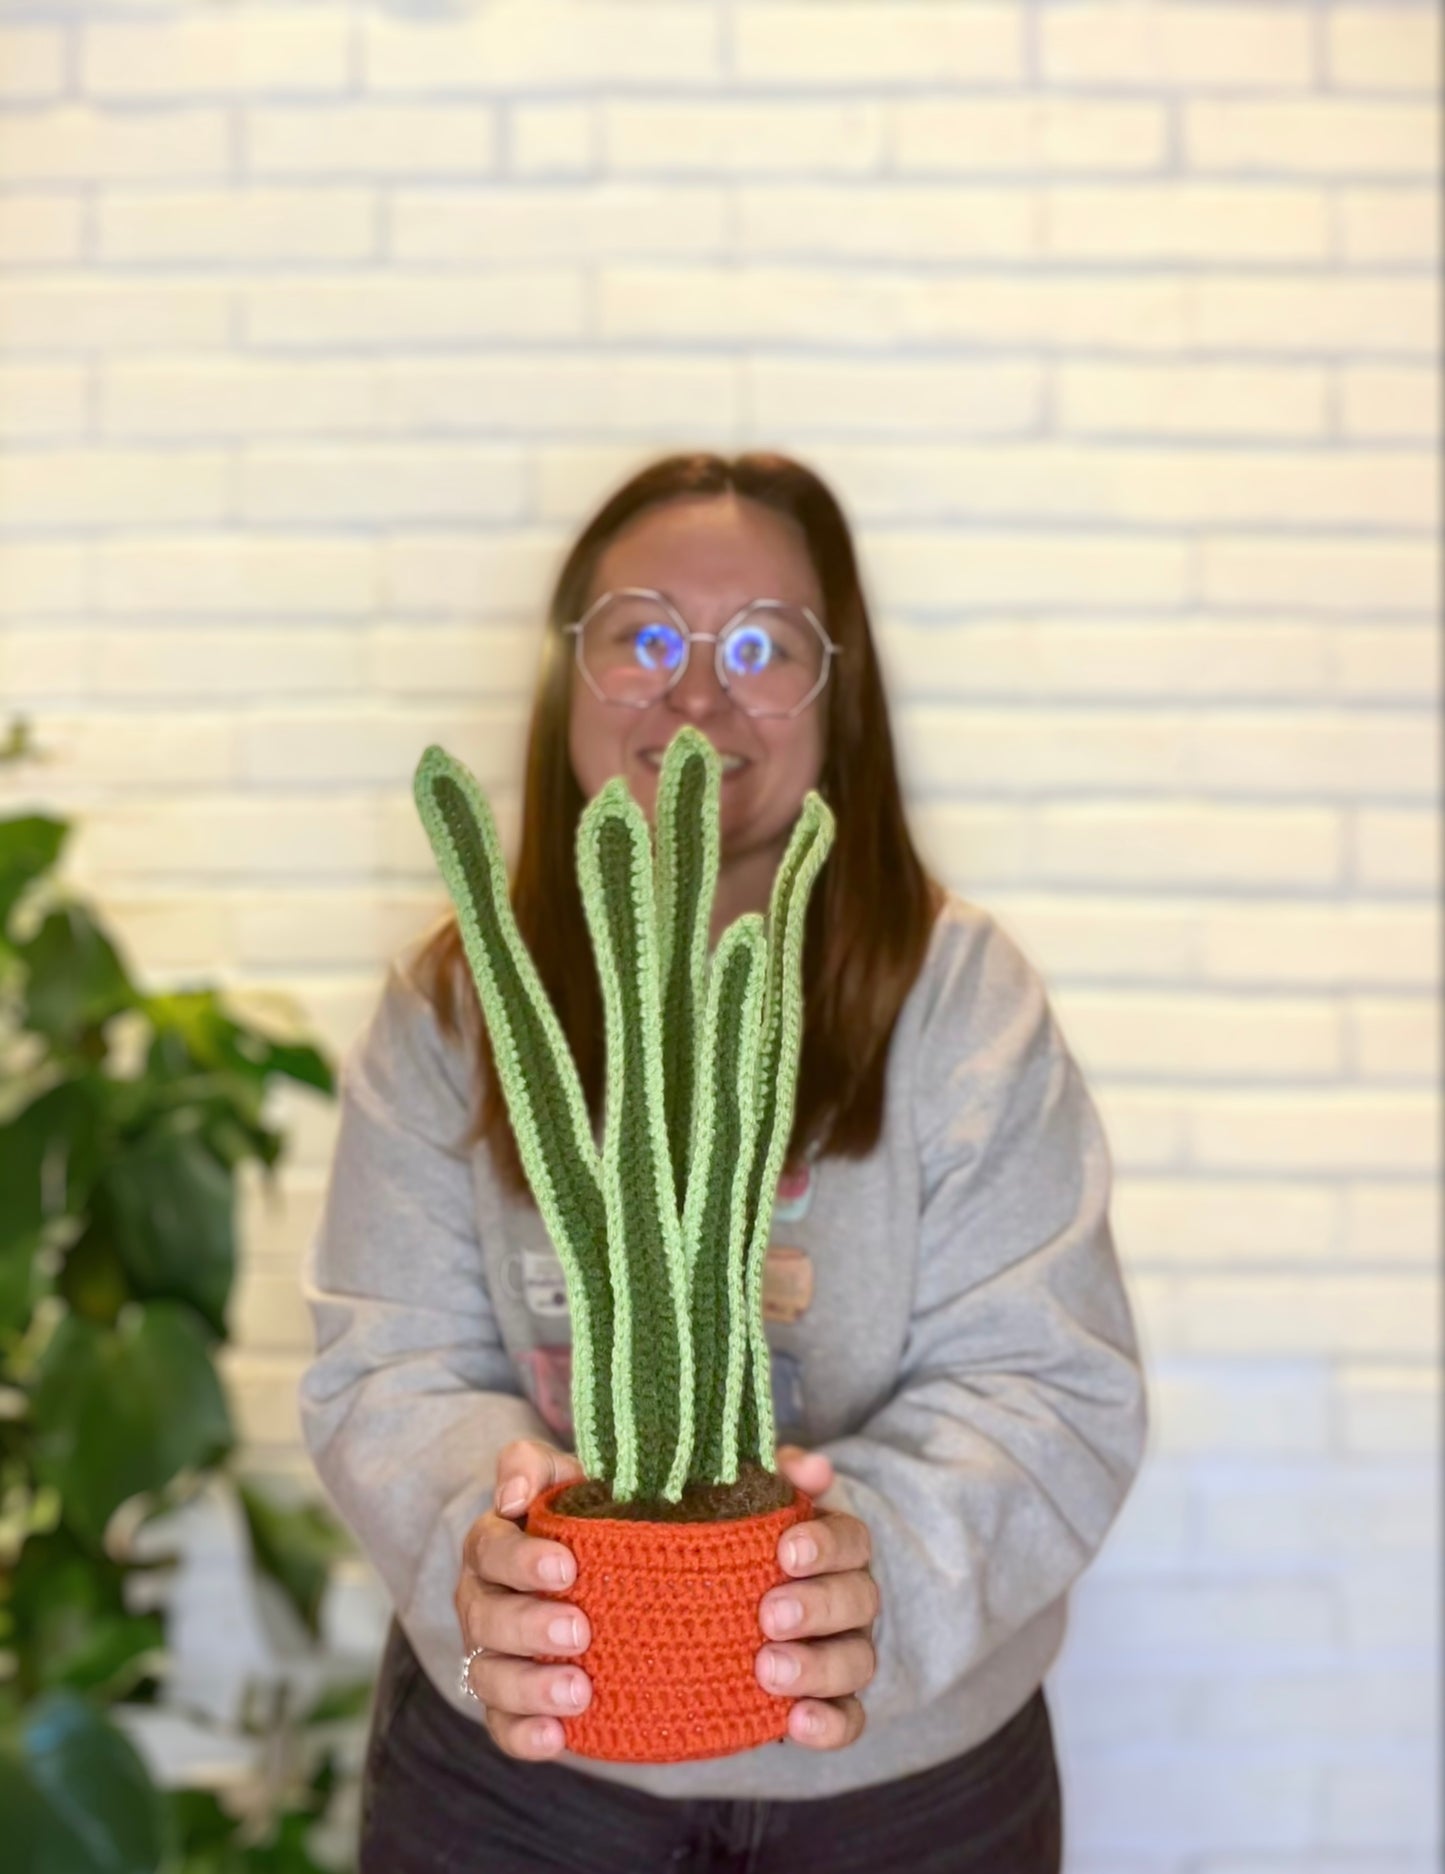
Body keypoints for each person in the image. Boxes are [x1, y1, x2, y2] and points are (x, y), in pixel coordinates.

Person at [299, 450, 1149, 1873]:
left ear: (843, 698)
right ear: (567, 675)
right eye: (642, 634)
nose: (696, 692)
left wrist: (858, 1577)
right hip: (526, 1782)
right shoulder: (457, 1007)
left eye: (761, 647)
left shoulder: (960, 999)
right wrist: (491, 1552)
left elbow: (1047, 1383)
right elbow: (387, 1364)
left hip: (910, 1789)